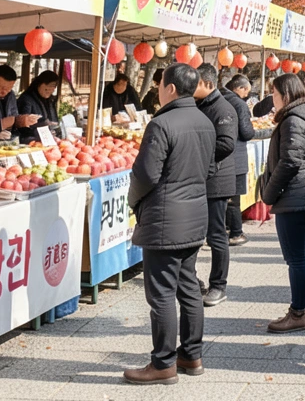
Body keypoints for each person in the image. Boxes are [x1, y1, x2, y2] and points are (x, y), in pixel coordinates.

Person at [124, 62, 216, 385]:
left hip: (165, 219)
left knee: (162, 292)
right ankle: (191, 355)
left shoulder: (161, 124)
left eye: (160, 85)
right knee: (188, 286)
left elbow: (145, 174)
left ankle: (163, 362)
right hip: (194, 217)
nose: (158, 91)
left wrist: (133, 200)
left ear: (171, 89)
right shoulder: (205, 122)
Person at [261, 73, 305, 333]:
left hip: (296, 194)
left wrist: (269, 193)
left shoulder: (293, 120)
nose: (273, 101)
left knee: (296, 258)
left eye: (275, 95)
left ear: (286, 95)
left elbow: (290, 161)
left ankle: (298, 312)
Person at [192, 64, 238, 308]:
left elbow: (227, 144)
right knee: (196, 233)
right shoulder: (199, 106)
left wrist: (199, 158)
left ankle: (219, 285)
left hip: (216, 181)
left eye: (195, 83)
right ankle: (193, 280)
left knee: (216, 234)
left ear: (208, 84)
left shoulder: (222, 108)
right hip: (199, 178)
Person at [222, 74, 256, 246]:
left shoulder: (217, 100)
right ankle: (235, 232)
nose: (246, 95)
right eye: (246, 92)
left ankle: (223, 230)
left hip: (220, 157)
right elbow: (247, 132)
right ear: (239, 88)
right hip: (236, 156)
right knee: (234, 199)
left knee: (222, 198)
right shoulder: (239, 104)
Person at [16, 70, 61, 141]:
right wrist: (43, 124)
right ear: (39, 84)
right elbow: (22, 127)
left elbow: (54, 121)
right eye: (46, 89)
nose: (49, 92)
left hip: (47, 139)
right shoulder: (26, 99)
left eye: (52, 88)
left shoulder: (50, 100)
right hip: (30, 140)